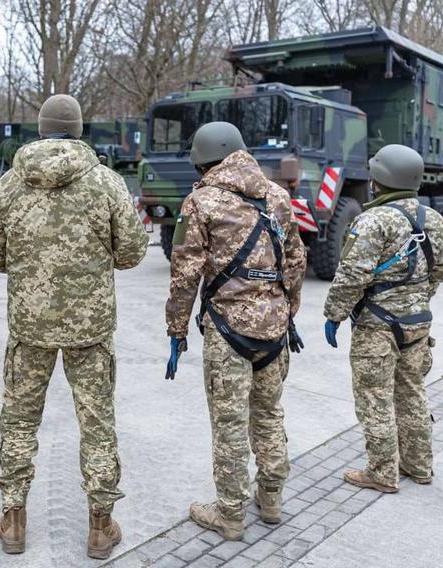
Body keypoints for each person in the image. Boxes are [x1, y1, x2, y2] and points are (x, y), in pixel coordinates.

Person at [0, 94, 148, 560]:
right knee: (96, 424)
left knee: (18, 421)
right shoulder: (107, 184)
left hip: (29, 326)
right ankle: (100, 524)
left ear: (40, 128)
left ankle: (13, 518)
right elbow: (133, 252)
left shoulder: (10, 185)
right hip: (89, 330)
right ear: (77, 129)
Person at [165, 122, 306, 541]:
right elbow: (296, 261)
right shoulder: (278, 196)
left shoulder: (200, 202)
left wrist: (176, 329)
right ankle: (272, 498)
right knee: (269, 416)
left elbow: (184, 275)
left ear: (202, 158)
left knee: (229, 424)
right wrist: (286, 311)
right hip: (274, 330)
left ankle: (229, 515)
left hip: (227, 333)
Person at [323, 144, 443, 493]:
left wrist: (334, 314)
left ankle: (382, 472)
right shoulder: (435, 221)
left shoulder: (372, 220)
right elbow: (440, 271)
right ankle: (419, 466)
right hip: (418, 323)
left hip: (377, 327)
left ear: (379, 180)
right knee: (412, 392)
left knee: (375, 397)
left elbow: (351, 275)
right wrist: (417, 300)